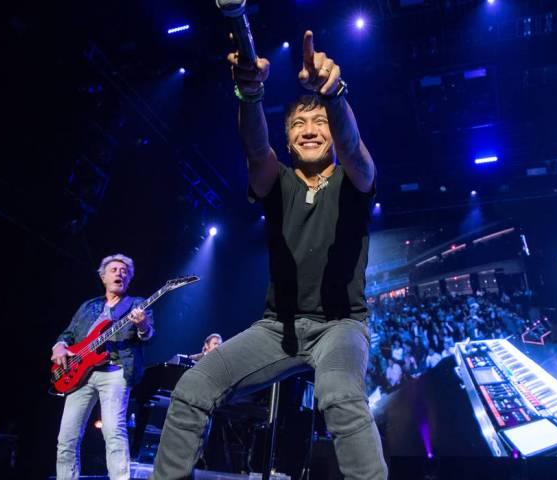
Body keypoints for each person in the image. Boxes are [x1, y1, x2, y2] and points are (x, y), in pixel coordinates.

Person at [150, 30, 387, 479]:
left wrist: (332, 95)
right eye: (298, 125)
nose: (310, 131)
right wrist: (251, 94)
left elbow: (354, 149)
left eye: (319, 122)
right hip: (276, 328)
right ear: (289, 138)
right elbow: (256, 148)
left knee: (338, 394)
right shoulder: (276, 182)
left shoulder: (353, 180)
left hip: (341, 325)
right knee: (192, 388)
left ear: (332, 133)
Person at [52, 253, 154, 480]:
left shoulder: (137, 304)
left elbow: (148, 337)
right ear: (103, 277)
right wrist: (59, 346)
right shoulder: (89, 306)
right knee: (66, 437)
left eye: (125, 271)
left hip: (115, 371)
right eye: (115, 270)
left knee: (113, 432)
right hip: (79, 374)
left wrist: (143, 325)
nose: (120, 273)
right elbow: (68, 334)